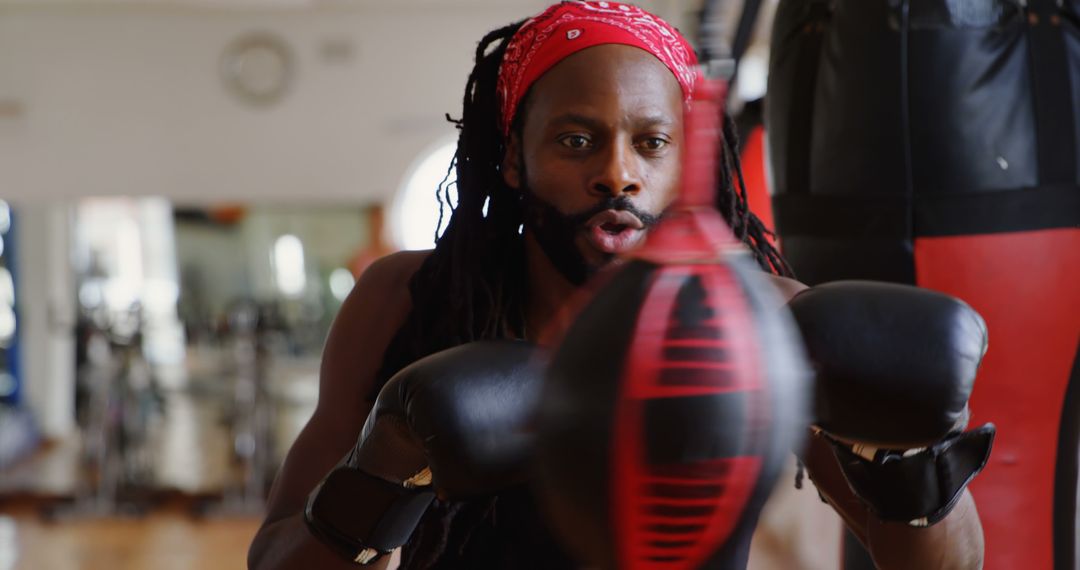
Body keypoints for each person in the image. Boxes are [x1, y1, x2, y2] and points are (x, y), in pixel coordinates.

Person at [248, 2, 986, 568]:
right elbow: (276, 556)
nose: (618, 173)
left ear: (685, 161)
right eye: (576, 141)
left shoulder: (763, 322)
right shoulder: (406, 302)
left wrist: (912, 464)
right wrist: (384, 467)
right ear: (513, 160)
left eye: (651, 142)